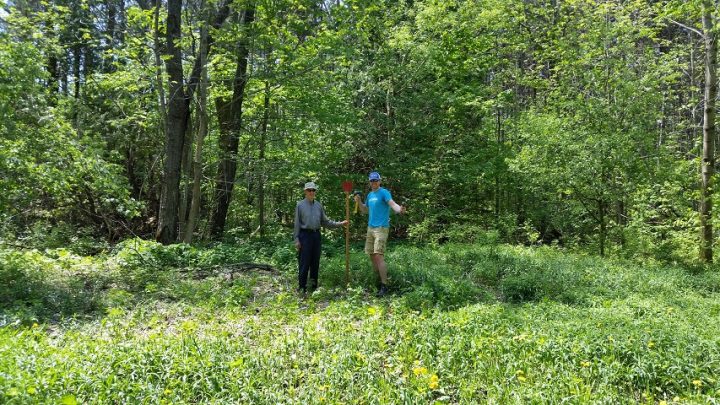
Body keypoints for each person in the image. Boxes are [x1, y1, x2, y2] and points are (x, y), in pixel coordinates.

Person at [354, 171, 406, 296]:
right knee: (372, 255)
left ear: (380, 181)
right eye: (372, 181)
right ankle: (377, 282)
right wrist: (359, 201)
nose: (374, 182)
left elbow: (392, 204)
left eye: (376, 180)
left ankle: (384, 285)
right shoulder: (370, 195)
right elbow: (365, 210)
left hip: (381, 228)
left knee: (378, 255)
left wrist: (399, 210)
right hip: (370, 228)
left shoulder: (384, 192)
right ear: (369, 182)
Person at [293, 181, 348, 294]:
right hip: (305, 236)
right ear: (305, 191)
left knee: (315, 262)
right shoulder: (300, 205)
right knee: (304, 262)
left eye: (313, 190)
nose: (311, 192)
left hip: (316, 236)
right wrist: (296, 239)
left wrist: (340, 224)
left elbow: (325, 222)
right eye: (309, 190)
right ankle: (302, 288)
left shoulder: (318, 205)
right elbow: (297, 224)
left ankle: (313, 288)